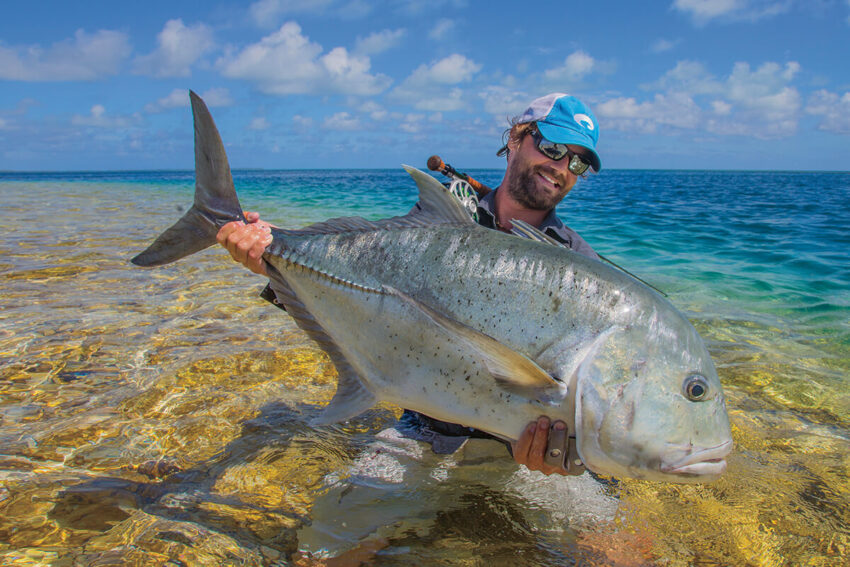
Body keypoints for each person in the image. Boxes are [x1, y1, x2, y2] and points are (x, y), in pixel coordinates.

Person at [216, 93, 602, 477]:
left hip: (522, 460)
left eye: (579, 162)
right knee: (334, 535)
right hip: (423, 432)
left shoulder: (582, 271)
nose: (562, 167)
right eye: (552, 147)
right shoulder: (444, 219)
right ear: (516, 138)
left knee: (611, 539)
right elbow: (366, 292)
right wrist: (273, 262)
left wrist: (571, 454)